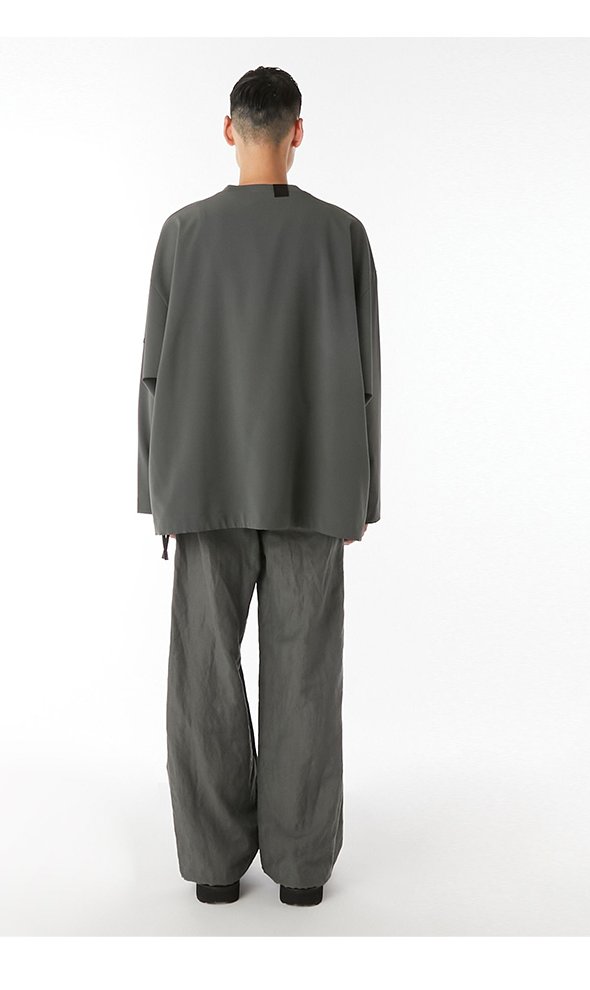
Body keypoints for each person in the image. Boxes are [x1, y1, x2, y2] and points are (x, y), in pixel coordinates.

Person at [137, 66, 381, 907]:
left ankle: (214, 864)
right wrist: (362, 495)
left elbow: (153, 377)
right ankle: (302, 868)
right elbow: (366, 380)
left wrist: (157, 494)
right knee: (306, 673)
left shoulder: (184, 233)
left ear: (229, 128)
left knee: (203, 677)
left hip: (203, 483)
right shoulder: (341, 235)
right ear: (298, 131)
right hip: (314, 485)